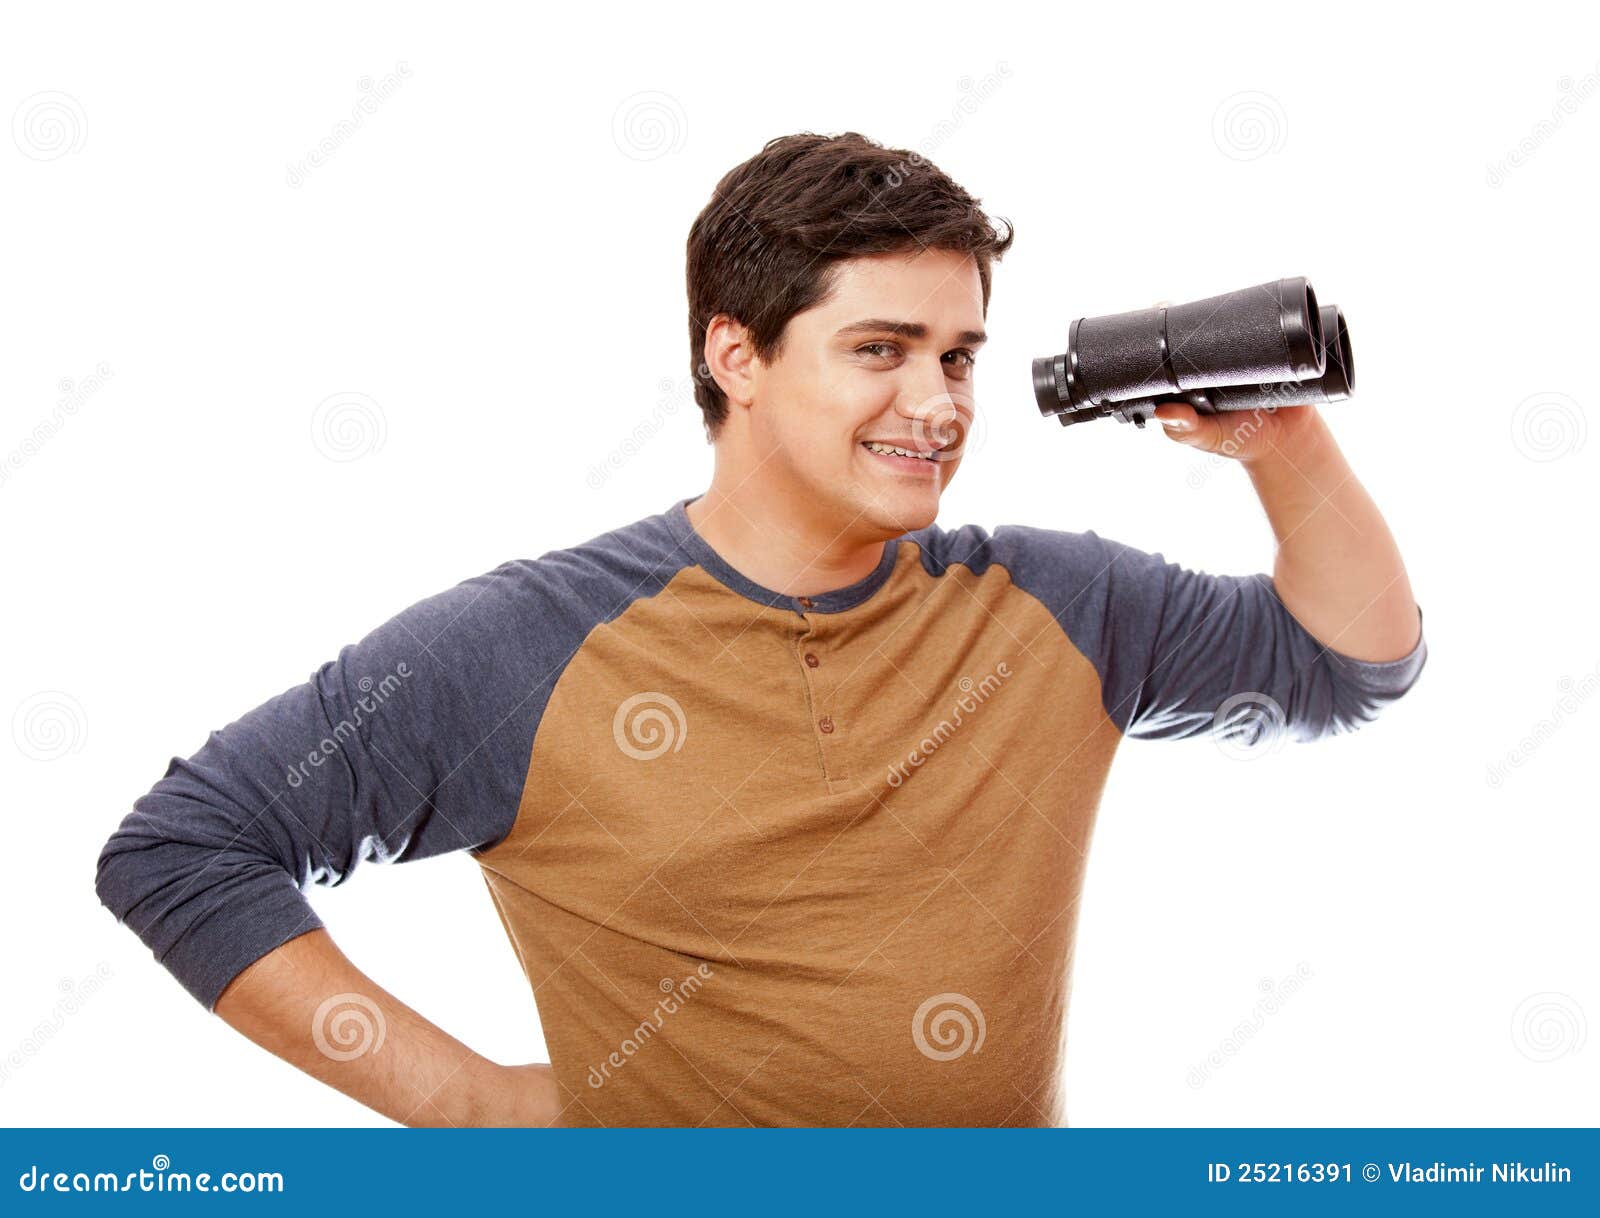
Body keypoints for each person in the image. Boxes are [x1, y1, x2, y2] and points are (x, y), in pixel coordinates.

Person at [94, 131, 1427, 1128]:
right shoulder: (534, 644)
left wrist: (1279, 442)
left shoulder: (1054, 605)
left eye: (959, 354)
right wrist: (465, 1101)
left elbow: (1345, 663)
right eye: (882, 348)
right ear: (738, 356)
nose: (941, 400)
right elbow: (183, 848)